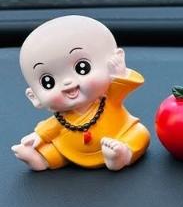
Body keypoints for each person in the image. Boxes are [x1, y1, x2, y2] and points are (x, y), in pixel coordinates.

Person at [12, 16, 150, 171]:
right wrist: (38, 136)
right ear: (34, 97)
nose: (67, 82)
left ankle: (121, 156)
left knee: (140, 134)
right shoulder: (61, 119)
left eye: (82, 68)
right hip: (71, 150)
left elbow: (123, 85)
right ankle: (39, 159)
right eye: (48, 82)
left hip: (117, 136)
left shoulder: (109, 97)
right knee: (54, 151)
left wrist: (119, 74)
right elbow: (50, 128)